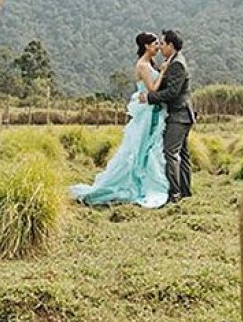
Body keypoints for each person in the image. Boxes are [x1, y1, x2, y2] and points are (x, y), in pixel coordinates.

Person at [70, 33, 170, 208]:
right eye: (155, 44)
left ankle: (145, 181)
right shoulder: (143, 65)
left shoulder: (148, 64)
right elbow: (152, 89)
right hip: (148, 113)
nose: (158, 47)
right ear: (146, 46)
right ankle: (139, 185)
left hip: (151, 108)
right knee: (144, 148)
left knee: (147, 149)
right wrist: (162, 72)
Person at [141, 29, 194, 204]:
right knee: (182, 154)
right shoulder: (171, 61)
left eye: (162, 44)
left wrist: (149, 97)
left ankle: (175, 193)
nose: (161, 47)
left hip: (179, 114)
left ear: (171, 45)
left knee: (170, 152)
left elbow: (172, 92)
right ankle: (185, 191)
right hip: (183, 114)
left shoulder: (177, 64)